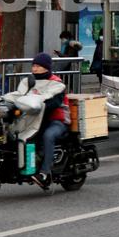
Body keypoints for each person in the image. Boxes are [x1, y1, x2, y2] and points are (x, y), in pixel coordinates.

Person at [28, 52, 70, 188]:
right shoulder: (31, 82)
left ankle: (45, 173)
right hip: (36, 120)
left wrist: (39, 106)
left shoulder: (56, 83)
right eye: (33, 66)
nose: (34, 69)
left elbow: (54, 103)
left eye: (38, 66)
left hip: (57, 121)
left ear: (46, 67)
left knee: (48, 135)